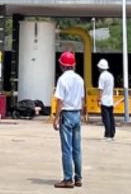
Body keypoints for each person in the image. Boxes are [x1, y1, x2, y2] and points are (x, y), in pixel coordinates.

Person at [51, 51, 85, 189]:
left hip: (66, 115)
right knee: (77, 148)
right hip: (77, 114)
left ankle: (67, 179)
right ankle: (78, 178)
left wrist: (56, 117)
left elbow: (60, 100)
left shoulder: (62, 79)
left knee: (66, 149)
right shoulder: (80, 79)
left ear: (62, 65)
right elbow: (82, 99)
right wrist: (81, 114)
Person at [96, 58, 116, 140]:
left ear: (100, 68)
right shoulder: (110, 75)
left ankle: (107, 135)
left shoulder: (102, 76)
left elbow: (101, 89)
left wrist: (99, 99)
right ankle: (112, 133)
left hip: (104, 100)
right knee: (111, 117)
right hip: (110, 99)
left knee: (106, 118)